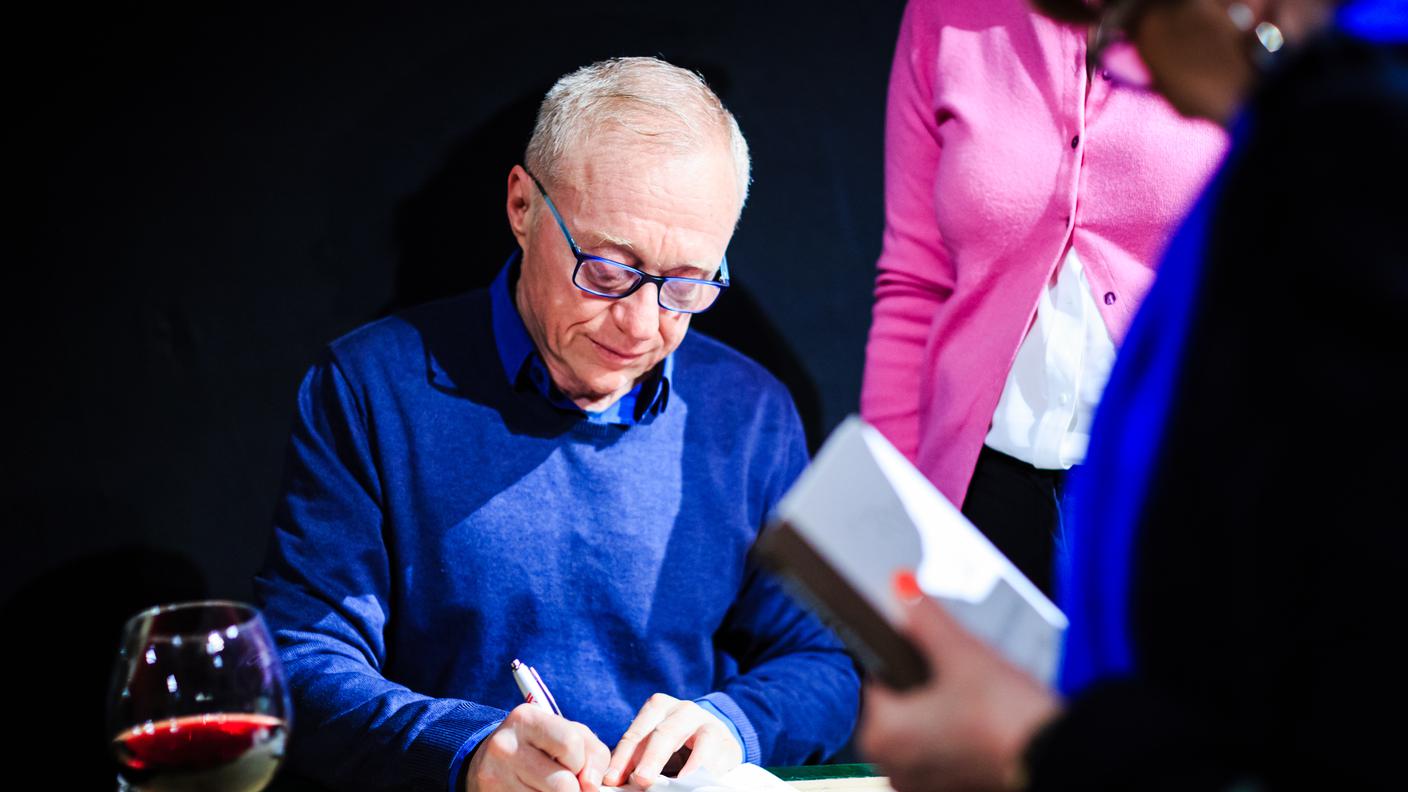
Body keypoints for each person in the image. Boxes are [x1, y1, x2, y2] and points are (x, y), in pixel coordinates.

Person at [254, 57, 860, 792]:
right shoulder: (369, 389)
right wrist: (467, 753)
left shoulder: (750, 412)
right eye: (607, 271)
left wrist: (737, 723)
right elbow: (300, 659)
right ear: (521, 206)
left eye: (689, 285)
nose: (642, 325)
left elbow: (822, 662)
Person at [857, 0, 1408, 789]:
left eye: (1122, 32)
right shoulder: (1321, 111)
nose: (1126, 65)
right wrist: (890, 520)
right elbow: (913, 279)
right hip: (1003, 489)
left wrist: (1032, 751)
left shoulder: (1349, 130)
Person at [860, 0, 1227, 594]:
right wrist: (893, 508)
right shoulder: (946, 15)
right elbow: (913, 280)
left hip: (1170, 486)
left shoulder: (1230, 23)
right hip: (981, 497)